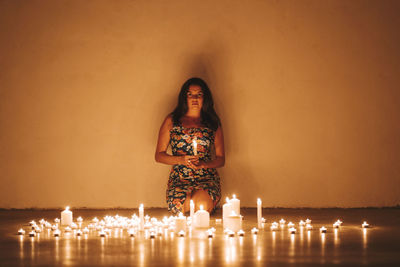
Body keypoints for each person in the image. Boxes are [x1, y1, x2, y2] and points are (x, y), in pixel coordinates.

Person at [155, 77, 225, 215]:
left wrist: (204, 164)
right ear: (184, 98)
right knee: (181, 206)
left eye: (199, 94)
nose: (194, 98)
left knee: (201, 207)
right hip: (180, 178)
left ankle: (208, 201)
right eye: (190, 94)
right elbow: (159, 155)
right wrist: (181, 160)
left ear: (205, 98)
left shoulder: (212, 122)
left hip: (206, 178)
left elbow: (221, 159)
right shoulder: (172, 121)